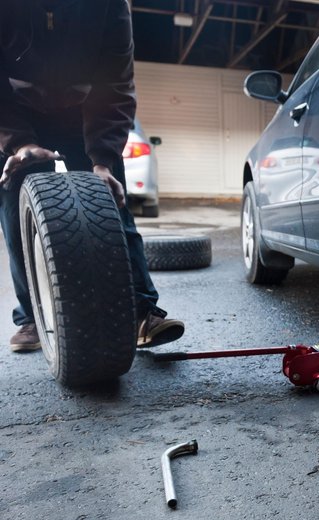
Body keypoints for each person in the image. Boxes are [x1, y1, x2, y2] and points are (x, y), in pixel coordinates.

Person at [0, 0, 184, 352]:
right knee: (13, 212)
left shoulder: (110, 5)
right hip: (14, 111)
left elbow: (116, 83)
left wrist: (102, 160)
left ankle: (142, 312)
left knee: (113, 202)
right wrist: (18, 142)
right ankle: (30, 316)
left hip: (82, 114)